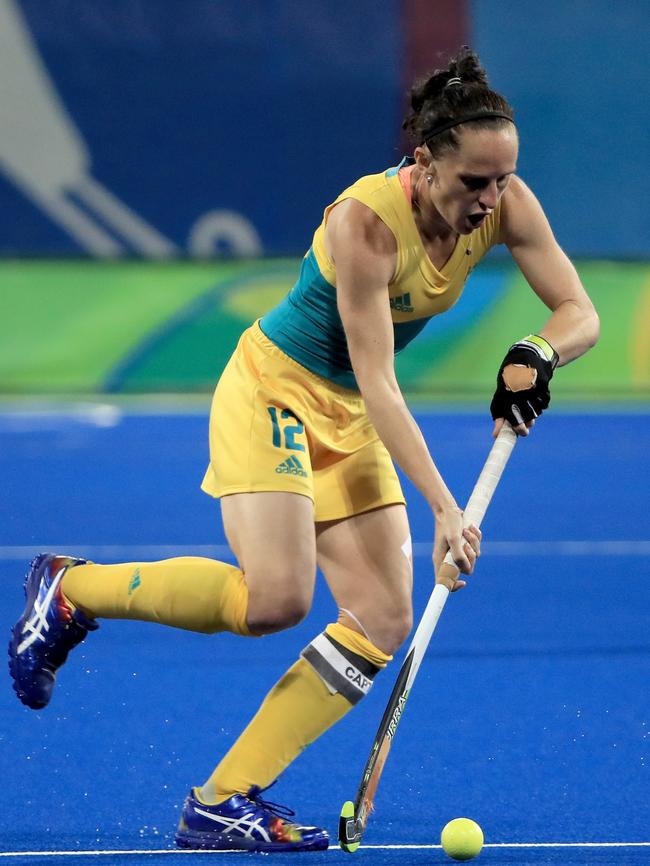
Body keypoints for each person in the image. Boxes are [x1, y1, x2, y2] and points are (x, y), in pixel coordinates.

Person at [9, 48, 599, 853]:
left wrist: (537, 352)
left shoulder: (505, 202)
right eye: (473, 183)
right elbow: (382, 380)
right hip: (275, 392)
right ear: (424, 161)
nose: (490, 200)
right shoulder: (363, 222)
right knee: (274, 600)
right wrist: (444, 508)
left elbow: (577, 310)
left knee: (383, 617)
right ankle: (72, 590)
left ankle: (222, 799)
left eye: (502, 181)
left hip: (350, 413)